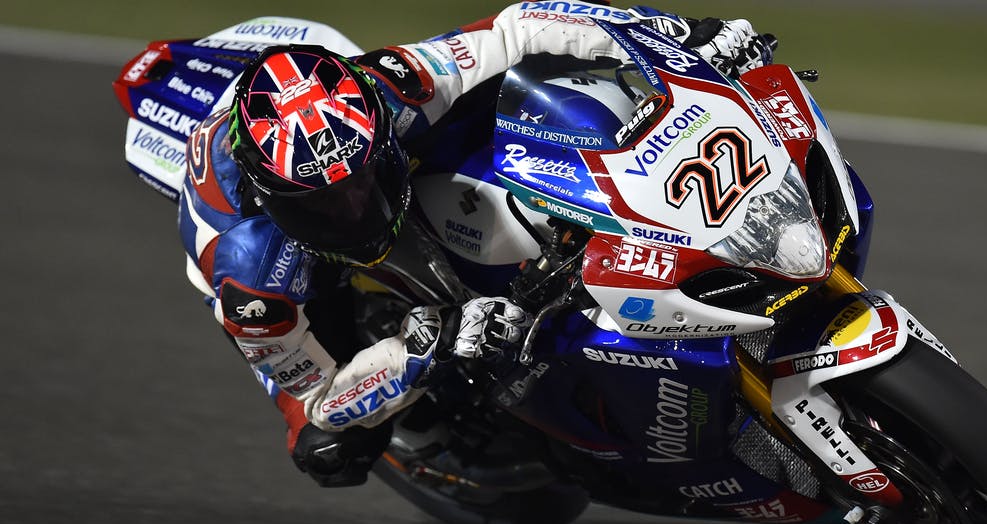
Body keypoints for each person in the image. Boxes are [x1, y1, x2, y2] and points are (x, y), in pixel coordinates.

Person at [178, 2, 773, 488]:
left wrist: (668, 35)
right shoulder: (247, 270)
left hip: (345, 127)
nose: (353, 209)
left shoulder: (392, 86)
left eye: (359, 184)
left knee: (495, 107)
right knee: (328, 449)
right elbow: (315, 397)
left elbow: (517, 28)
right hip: (271, 261)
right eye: (323, 203)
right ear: (273, 195)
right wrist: (420, 348)